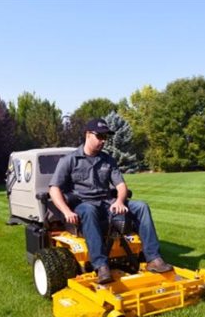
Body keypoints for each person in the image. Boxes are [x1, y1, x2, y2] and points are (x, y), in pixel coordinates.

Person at [49, 118, 172, 284]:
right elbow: (54, 188)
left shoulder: (108, 160)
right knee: (89, 210)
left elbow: (121, 186)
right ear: (87, 134)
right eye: (99, 136)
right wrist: (66, 211)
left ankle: (153, 259)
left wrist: (120, 201)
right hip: (84, 204)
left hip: (108, 203)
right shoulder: (69, 160)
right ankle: (101, 266)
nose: (103, 141)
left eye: (105, 137)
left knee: (141, 206)